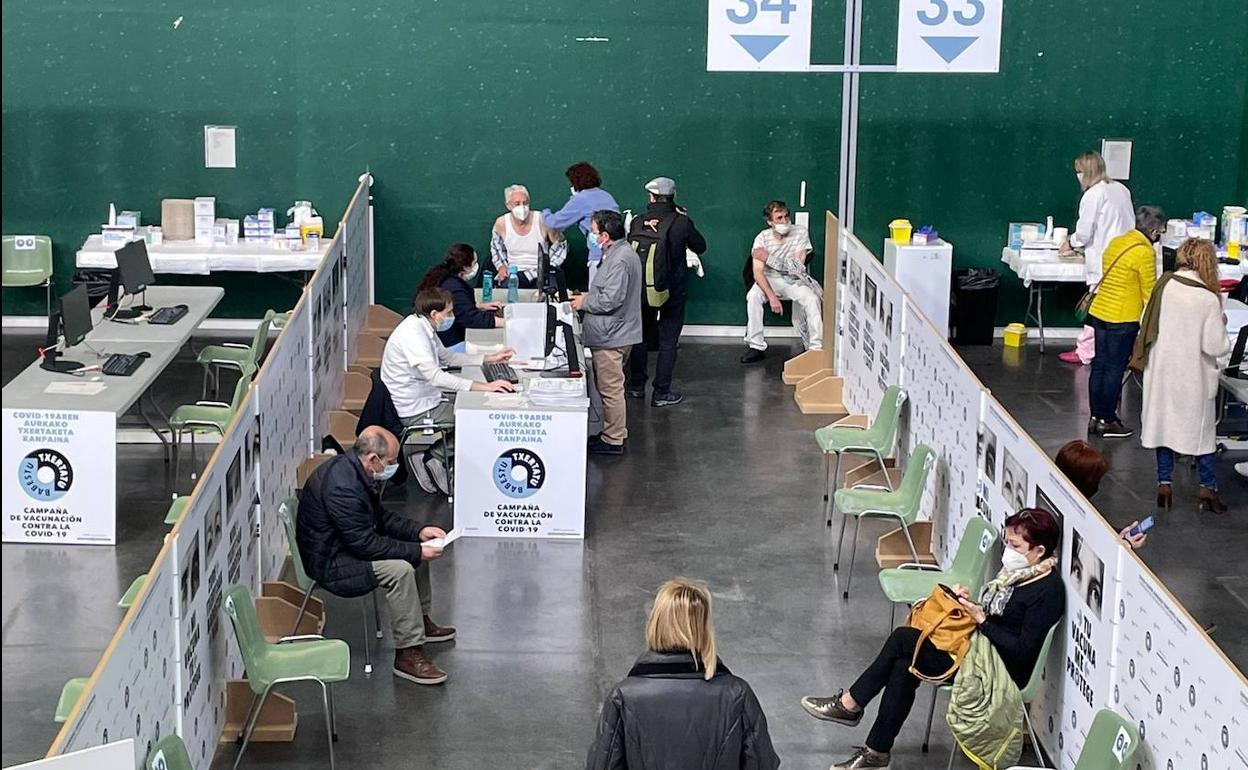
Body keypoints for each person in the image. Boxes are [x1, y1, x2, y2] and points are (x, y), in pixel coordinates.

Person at [800, 508, 1065, 770]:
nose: (1007, 549)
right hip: (976, 647)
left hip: (998, 670)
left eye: (1015, 544)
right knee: (903, 664)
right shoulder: (1016, 575)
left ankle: (851, 705)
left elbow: (1022, 651)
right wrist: (968, 604)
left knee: (904, 639)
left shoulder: (1047, 591)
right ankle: (875, 752)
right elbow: (998, 617)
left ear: (1038, 551)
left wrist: (981, 620)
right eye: (1007, 541)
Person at [295, 427, 455, 685]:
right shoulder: (343, 487)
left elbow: (379, 518)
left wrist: (418, 532)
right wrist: (415, 551)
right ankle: (408, 652)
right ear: (373, 459)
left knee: (416, 549)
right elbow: (365, 545)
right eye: (391, 462)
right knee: (401, 568)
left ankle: (419, 621)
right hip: (332, 564)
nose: (393, 467)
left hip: (344, 550)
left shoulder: (355, 472)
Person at [585, 578, 780, 770]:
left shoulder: (623, 696)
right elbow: (763, 764)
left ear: (656, 623)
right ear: (704, 629)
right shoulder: (737, 694)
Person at [380, 287, 515, 493]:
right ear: (434, 314)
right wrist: (484, 387)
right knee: (476, 420)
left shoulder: (422, 326)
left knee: (471, 405)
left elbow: (448, 358)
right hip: (415, 408)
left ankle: (431, 458)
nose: (452, 317)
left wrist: (489, 358)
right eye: (448, 313)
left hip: (424, 395)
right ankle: (435, 458)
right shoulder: (413, 335)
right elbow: (435, 376)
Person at [1140, 238, 1231, 513]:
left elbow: (1145, 320)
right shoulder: (1207, 298)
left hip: (1161, 372)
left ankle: (1164, 485)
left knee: (1164, 430)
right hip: (1194, 376)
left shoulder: (1163, 285)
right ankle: (1208, 489)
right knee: (1201, 436)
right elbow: (1213, 345)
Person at [625, 176, 708, 407]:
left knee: (640, 336)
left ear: (651, 197)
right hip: (672, 289)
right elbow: (700, 246)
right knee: (668, 339)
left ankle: (635, 386)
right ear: (672, 197)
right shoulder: (680, 222)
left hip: (641, 288)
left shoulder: (638, 222)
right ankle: (661, 392)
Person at [1084, 206, 1165, 438]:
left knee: (1099, 365)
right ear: (1153, 230)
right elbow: (1149, 292)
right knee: (1114, 368)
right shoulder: (1143, 252)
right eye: (1159, 231)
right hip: (1123, 318)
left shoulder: (1117, 242)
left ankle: (1095, 416)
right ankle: (1108, 420)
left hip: (1100, 313)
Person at [571, 210, 642, 455]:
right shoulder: (617, 253)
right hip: (613, 332)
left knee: (611, 389)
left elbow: (611, 299)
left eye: (593, 231)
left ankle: (613, 440)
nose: (591, 236)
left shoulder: (620, 259)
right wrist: (587, 297)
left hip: (613, 336)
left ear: (604, 235)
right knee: (611, 387)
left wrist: (584, 303)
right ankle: (614, 432)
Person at [1058, 151, 1136, 365]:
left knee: (1095, 308)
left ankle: (1086, 351)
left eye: (1079, 171)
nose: (1078, 176)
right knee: (1120, 311)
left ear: (1086, 172)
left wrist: (1070, 243)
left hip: (1103, 262)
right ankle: (1121, 352)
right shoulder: (1121, 190)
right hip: (1126, 258)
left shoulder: (1093, 195)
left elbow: (1084, 232)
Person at [741, 200, 823, 364]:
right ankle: (756, 346)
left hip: (794, 280)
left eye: (786, 216)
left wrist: (769, 258)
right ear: (770, 221)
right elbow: (757, 273)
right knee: (753, 297)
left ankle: (816, 348)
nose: (785, 221)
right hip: (768, 279)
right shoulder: (761, 239)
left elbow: (797, 269)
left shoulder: (800, 232)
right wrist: (772, 297)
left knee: (812, 299)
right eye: (779, 218)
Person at [1054, 439, 1148, 549]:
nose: (1098, 485)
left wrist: (1118, 533)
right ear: (1084, 481)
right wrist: (1124, 546)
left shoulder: (1058, 496)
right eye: (1097, 479)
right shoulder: (1071, 518)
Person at [542, 162, 621, 284]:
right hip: (618, 253)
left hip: (598, 257)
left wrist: (545, 212)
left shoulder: (580, 199)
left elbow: (555, 223)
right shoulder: (606, 196)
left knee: (596, 297)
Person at [418, 243, 503, 348]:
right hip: (450, 341)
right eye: (474, 263)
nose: (476, 266)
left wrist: (479, 306)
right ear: (465, 267)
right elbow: (469, 318)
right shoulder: (454, 287)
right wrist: (504, 322)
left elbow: (458, 307)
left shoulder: (446, 277)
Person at [490, 184, 567, 289]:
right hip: (514, 274)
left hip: (542, 273)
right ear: (508, 205)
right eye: (517, 204)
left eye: (525, 203)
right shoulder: (501, 223)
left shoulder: (541, 219)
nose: (522, 207)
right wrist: (501, 267)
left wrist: (549, 266)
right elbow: (496, 250)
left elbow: (561, 244)